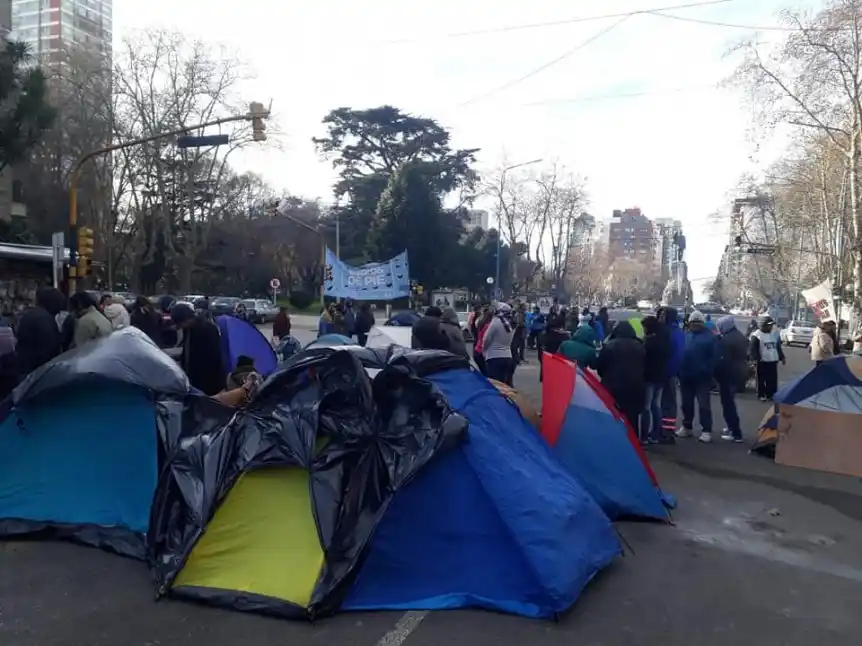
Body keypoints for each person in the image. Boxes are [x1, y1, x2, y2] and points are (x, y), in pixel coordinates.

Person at [676, 311, 719, 443]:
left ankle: (706, 430)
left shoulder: (711, 338)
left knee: (703, 405)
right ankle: (687, 426)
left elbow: (715, 357)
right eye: (692, 322)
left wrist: (706, 370)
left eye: (697, 322)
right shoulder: (686, 335)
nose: (695, 325)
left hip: (702, 378)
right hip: (685, 376)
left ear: (702, 323)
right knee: (686, 404)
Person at [597, 320, 645, 432]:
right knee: (632, 415)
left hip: (613, 385)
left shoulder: (609, 345)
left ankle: (614, 437)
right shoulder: (640, 346)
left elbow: (600, 365)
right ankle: (633, 440)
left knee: (612, 413)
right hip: (635, 385)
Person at [171, 303, 226, 396]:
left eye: (181, 323)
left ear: (188, 318)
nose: (181, 327)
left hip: (208, 381)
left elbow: (212, 359)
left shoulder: (208, 329)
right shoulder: (188, 329)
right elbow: (187, 351)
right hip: (193, 378)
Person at [15, 286, 64, 374]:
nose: (60, 309)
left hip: (26, 367)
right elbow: (49, 349)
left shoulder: (31, 315)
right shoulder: (44, 319)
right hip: (37, 370)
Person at [715, 316, 748, 443]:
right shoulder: (740, 336)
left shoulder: (726, 340)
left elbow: (722, 360)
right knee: (730, 402)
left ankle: (735, 432)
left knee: (728, 404)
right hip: (739, 373)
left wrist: (716, 374)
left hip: (729, 375)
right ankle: (731, 428)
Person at [641, 315, 671, 444]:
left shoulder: (648, 342)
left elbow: (643, 357)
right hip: (661, 376)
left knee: (646, 407)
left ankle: (644, 436)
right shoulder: (664, 340)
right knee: (656, 406)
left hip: (649, 377)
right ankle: (655, 434)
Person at [657, 306, 684, 443]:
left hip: (668, 371)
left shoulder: (672, 333)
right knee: (662, 402)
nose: (660, 317)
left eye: (663, 315)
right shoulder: (674, 331)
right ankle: (662, 429)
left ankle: (667, 431)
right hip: (664, 371)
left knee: (667, 402)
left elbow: (677, 355)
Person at [749, 316, 785, 401]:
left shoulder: (772, 334)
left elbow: (777, 347)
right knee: (761, 379)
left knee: (772, 379)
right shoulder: (756, 335)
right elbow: (753, 349)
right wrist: (756, 359)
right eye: (769, 325)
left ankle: (771, 394)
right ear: (763, 325)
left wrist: (782, 357)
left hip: (772, 360)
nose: (771, 327)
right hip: (762, 361)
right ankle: (761, 394)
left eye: (771, 325)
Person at [483, 302, 515, 385]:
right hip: (508, 356)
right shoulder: (510, 323)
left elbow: (487, 338)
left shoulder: (496, 321)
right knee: (506, 386)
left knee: (496, 385)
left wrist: (484, 350)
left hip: (494, 357)